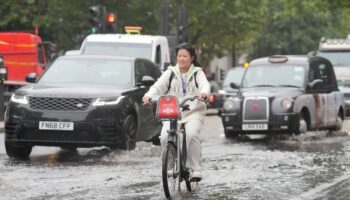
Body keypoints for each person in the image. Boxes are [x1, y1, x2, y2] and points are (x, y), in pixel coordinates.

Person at [142, 42, 210, 182]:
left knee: (191, 135)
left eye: (185, 56)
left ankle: (195, 169)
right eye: (179, 56)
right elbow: (158, 85)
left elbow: (205, 85)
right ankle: (171, 163)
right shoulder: (170, 72)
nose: (181, 59)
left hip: (193, 112)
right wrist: (149, 95)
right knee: (164, 137)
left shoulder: (197, 72)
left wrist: (204, 93)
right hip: (172, 112)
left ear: (192, 57)